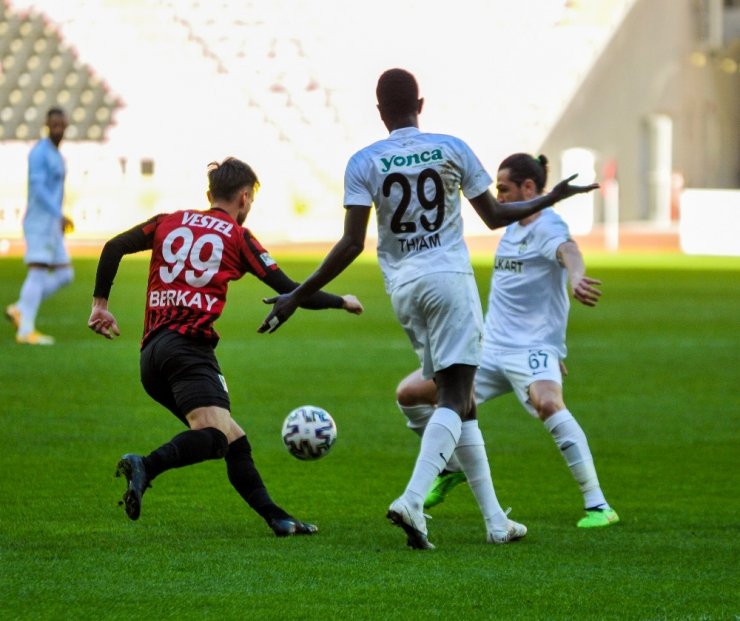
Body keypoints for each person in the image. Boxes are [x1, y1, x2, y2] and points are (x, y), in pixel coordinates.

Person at [257, 68, 599, 549]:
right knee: (455, 397)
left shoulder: (363, 161)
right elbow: (496, 216)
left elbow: (351, 243)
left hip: (403, 289)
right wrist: (552, 195)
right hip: (449, 281)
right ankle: (413, 499)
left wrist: (297, 294)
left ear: (379, 111)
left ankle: (496, 521)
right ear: (421, 101)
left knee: (465, 402)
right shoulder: (452, 147)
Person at [87, 156, 363, 537]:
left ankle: (277, 518)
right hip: (188, 350)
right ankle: (146, 465)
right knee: (215, 437)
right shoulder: (236, 236)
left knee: (233, 438)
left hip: (151, 356)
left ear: (209, 193)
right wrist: (340, 300)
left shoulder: (169, 221)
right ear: (245, 198)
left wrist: (100, 305)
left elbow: (114, 246)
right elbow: (289, 289)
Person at [396, 153, 619, 529]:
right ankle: (452, 467)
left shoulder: (547, 225)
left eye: (503, 188)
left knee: (548, 403)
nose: (497, 196)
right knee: (410, 393)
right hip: (487, 349)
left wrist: (576, 278)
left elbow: (569, 251)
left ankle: (598, 505)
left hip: (530, 351)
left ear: (528, 188)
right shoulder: (513, 226)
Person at [5, 107, 75, 345]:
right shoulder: (39, 152)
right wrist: (59, 214)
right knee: (37, 272)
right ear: (47, 125)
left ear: (66, 126)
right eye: (54, 124)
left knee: (65, 273)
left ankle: (21, 308)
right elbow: (38, 188)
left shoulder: (57, 155)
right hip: (39, 222)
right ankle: (25, 330)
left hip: (51, 225)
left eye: (61, 124)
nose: (58, 128)